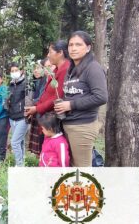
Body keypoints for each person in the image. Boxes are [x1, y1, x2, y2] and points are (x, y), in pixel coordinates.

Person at [54, 31, 108, 167]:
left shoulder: (93, 68)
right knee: (73, 167)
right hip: (69, 124)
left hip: (83, 126)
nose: (73, 48)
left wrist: (71, 105)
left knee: (82, 170)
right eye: (71, 45)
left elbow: (101, 97)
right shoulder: (71, 69)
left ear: (88, 47)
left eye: (78, 44)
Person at [26, 40, 70, 156]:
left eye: (50, 52)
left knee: (51, 153)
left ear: (60, 53)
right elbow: (47, 93)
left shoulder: (65, 69)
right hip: (45, 116)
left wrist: (37, 109)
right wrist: (35, 107)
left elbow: (57, 96)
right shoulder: (56, 70)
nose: (48, 55)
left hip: (54, 120)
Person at [7, 62, 28, 167]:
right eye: (12, 71)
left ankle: (19, 165)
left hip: (22, 117)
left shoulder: (26, 83)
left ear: (22, 71)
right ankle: (22, 163)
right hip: (12, 117)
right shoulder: (10, 84)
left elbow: (29, 99)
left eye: (16, 70)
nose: (14, 72)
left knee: (14, 142)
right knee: (20, 141)